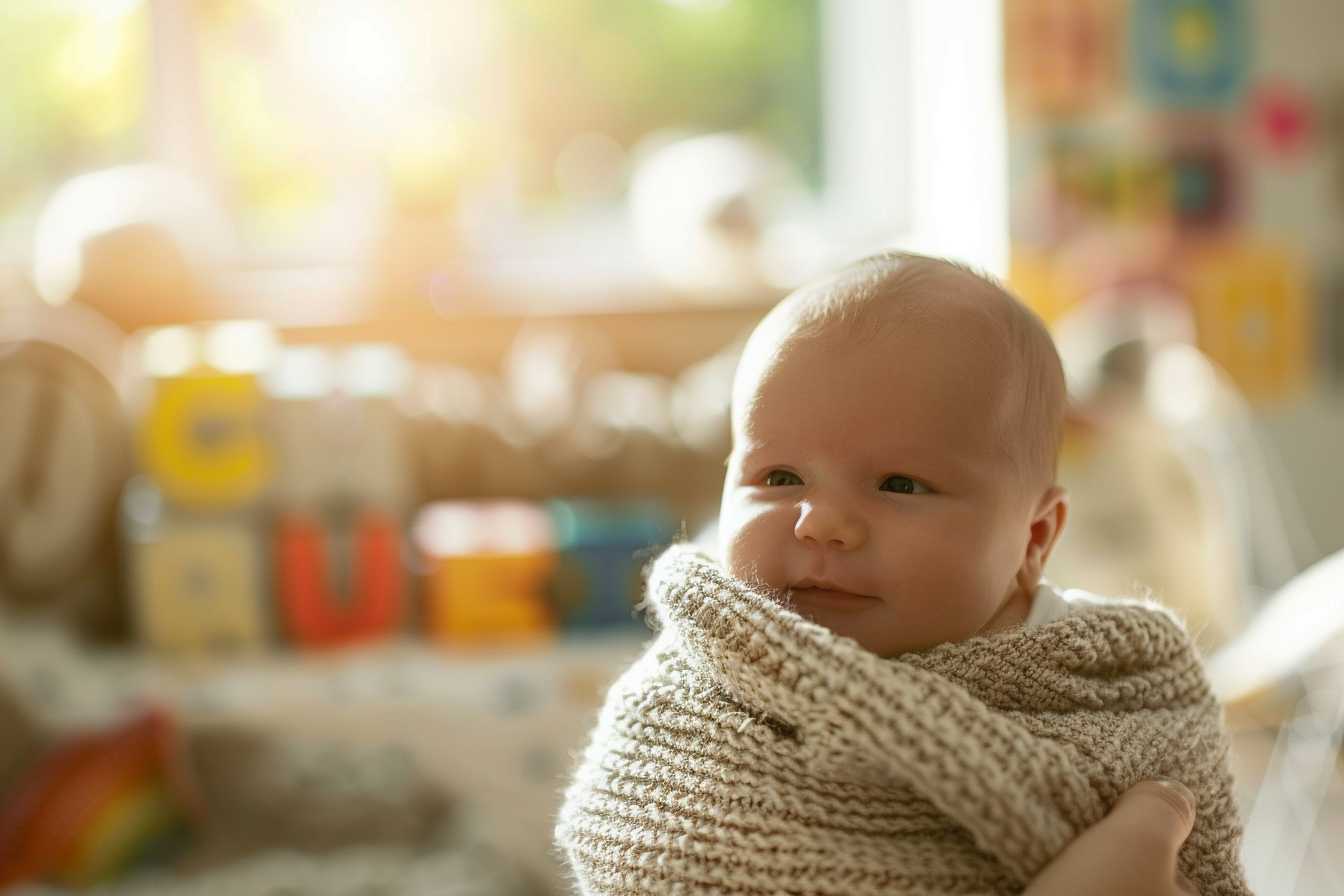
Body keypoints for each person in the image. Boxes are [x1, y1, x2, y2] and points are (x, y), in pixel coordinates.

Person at [556, 252, 1249, 895]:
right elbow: (635, 841)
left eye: (900, 485)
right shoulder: (693, 695)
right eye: (780, 476)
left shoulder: (1119, 688)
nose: (820, 521)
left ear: (1032, 539)